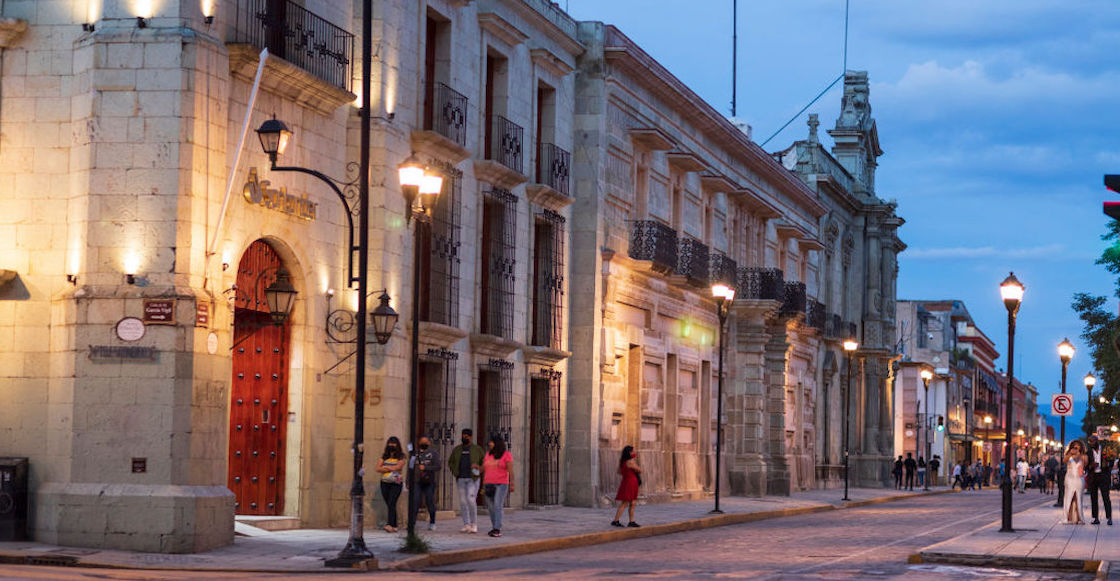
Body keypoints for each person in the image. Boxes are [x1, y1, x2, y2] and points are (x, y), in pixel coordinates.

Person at [447, 428, 485, 534]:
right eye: (463, 435)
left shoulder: (477, 449)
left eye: (467, 436)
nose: (465, 437)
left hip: (473, 478)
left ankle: (474, 524)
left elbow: (484, 462)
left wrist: (479, 468)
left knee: (471, 500)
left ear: (471, 437)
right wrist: (455, 471)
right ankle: (466, 524)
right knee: (463, 501)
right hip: (461, 478)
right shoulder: (457, 449)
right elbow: (450, 462)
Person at [481, 435, 514, 538]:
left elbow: (510, 470)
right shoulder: (488, 454)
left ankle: (497, 528)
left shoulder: (506, 455)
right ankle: (494, 526)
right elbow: (484, 468)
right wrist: (476, 469)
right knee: (491, 507)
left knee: (497, 505)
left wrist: (512, 483)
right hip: (488, 484)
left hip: (501, 484)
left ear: (497, 443)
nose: (489, 444)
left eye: (491, 442)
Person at [410, 434, 442, 531]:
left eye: (425, 442)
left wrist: (426, 468)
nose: (423, 443)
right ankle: (412, 522)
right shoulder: (414, 454)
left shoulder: (434, 453)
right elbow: (410, 467)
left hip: (429, 481)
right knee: (415, 501)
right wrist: (408, 480)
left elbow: (438, 466)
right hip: (417, 481)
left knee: (429, 501)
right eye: (422, 441)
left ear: (429, 443)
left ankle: (432, 522)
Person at [376, 436, 406, 533]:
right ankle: (394, 525)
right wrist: (391, 468)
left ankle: (389, 524)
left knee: (391, 502)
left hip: (396, 483)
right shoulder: (384, 456)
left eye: (394, 443)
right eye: (390, 443)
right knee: (389, 504)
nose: (392, 445)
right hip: (385, 482)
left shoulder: (401, 456)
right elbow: (377, 468)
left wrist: (386, 467)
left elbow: (399, 467)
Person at [611, 445, 642, 528]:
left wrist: (627, 472)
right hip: (631, 482)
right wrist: (633, 465)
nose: (634, 452)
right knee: (625, 503)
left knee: (632, 503)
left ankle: (631, 521)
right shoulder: (630, 461)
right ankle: (615, 520)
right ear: (629, 452)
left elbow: (619, 472)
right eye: (633, 451)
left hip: (626, 481)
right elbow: (640, 470)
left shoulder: (622, 462)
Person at [1085, 434, 1113, 525]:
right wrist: (1091, 466)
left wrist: (1106, 464)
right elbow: (1086, 466)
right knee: (1093, 498)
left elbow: (1111, 462)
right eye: (1089, 442)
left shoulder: (1105, 450)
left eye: (1092, 441)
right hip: (1093, 477)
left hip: (1103, 476)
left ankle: (1109, 518)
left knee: (1106, 497)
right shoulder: (1088, 452)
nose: (1091, 443)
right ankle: (1095, 518)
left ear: (1097, 441)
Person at [1062, 440, 1087, 525]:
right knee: (1069, 497)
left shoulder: (1083, 456)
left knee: (1078, 498)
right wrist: (1070, 453)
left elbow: (1085, 463)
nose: (1076, 448)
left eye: (1078, 446)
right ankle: (1067, 517)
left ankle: (1079, 517)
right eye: (1074, 446)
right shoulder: (1068, 455)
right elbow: (1064, 460)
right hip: (1069, 478)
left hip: (1079, 479)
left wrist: (1078, 454)